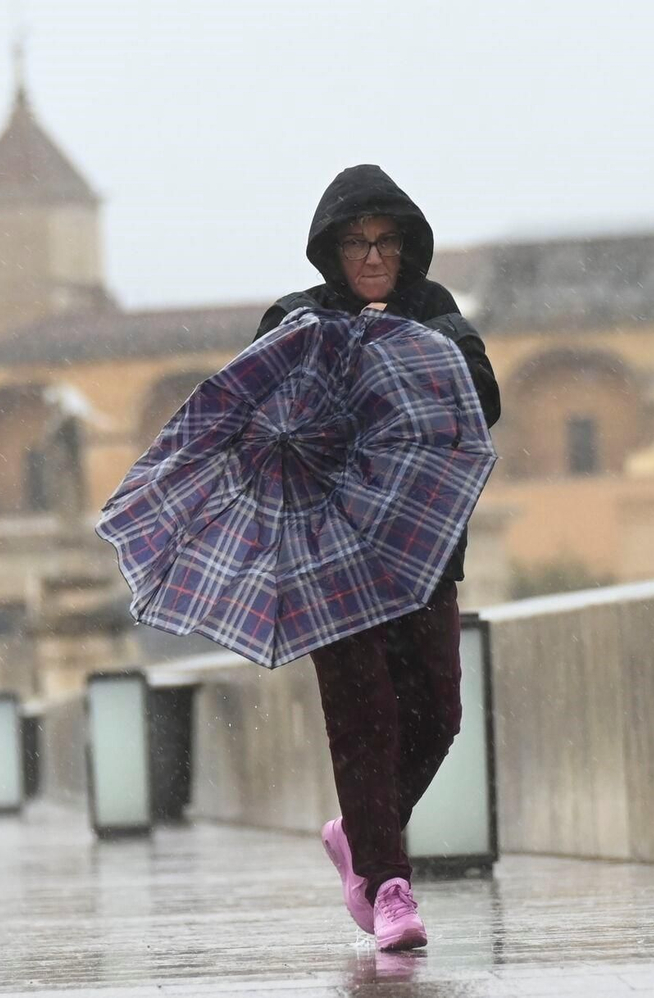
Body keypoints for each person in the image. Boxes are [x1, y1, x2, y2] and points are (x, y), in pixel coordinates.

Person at [256, 165, 501, 952]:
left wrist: (407, 350)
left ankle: (358, 835)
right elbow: (262, 407)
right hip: (332, 557)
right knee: (365, 717)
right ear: (332, 250)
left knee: (439, 711)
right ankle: (390, 887)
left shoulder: (435, 312)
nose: (371, 257)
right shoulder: (297, 317)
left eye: (385, 242)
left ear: (407, 247)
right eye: (357, 243)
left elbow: (482, 396)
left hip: (422, 549)